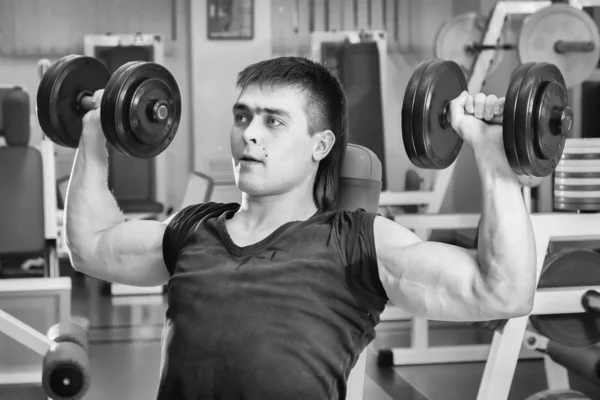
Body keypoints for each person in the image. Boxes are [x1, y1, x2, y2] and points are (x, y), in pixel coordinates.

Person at [64, 56, 536, 400]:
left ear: (320, 144)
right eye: (243, 116)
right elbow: (90, 246)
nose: (250, 133)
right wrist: (92, 128)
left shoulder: (355, 243)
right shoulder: (193, 231)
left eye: (274, 122)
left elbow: (501, 292)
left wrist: (494, 161)